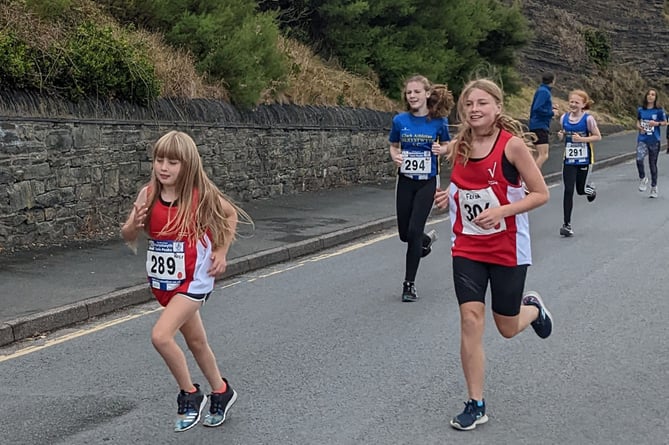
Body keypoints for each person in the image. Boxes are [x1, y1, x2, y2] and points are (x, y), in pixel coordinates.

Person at [433, 78, 553, 431]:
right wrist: (448, 196)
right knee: (470, 319)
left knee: (507, 327)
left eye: (482, 103)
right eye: (469, 104)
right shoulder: (460, 145)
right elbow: (463, 186)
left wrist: (501, 211)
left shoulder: (512, 146)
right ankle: (476, 403)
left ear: (498, 108)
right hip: (467, 245)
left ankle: (533, 309)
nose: (474, 109)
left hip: (507, 248)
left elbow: (540, 193)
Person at [121, 130, 249, 432]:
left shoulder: (200, 195)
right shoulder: (148, 194)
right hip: (165, 284)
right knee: (196, 341)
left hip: (195, 280)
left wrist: (221, 250)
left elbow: (230, 215)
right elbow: (128, 237)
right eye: (159, 160)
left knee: (161, 336)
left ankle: (190, 395)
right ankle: (221, 391)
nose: (163, 167)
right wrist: (133, 225)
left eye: (172, 162)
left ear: (187, 164)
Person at [389, 75, 453, 302]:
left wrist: (441, 150)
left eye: (417, 92)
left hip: (427, 181)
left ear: (427, 94)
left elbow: (448, 145)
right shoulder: (400, 121)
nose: (413, 96)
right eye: (409, 93)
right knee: (405, 235)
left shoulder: (438, 122)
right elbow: (393, 146)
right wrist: (396, 157)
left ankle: (409, 284)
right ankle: (425, 241)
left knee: (415, 230)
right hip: (405, 181)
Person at [556, 90, 602, 236]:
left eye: (577, 102)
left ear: (583, 105)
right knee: (568, 190)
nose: (573, 105)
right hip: (569, 159)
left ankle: (591, 190)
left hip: (585, 159)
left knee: (580, 190)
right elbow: (563, 135)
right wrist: (561, 136)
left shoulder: (588, 119)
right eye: (571, 102)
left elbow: (597, 137)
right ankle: (566, 224)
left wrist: (582, 140)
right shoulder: (564, 118)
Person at [634, 88, 667, 198]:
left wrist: (656, 123)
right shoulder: (641, 109)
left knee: (652, 164)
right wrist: (639, 127)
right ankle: (643, 178)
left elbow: (665, 122)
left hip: (654, 140)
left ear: (656, 97)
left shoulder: (659, 110)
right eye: (648, 94)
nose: (650, 96)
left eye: (653, 94)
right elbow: (638, 121)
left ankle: (654, 187)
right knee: (639, 159)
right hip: (642, 138)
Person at [528, 72, 559, 171]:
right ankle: (532, 178)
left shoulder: (542, 91)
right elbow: (537, 108)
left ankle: (528, 180)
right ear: (553, 81)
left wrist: (550, 107)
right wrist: (551, 113)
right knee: (544, 154)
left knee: (536, 155)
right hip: (540, 125)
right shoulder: (544, 92)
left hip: (536, 125)